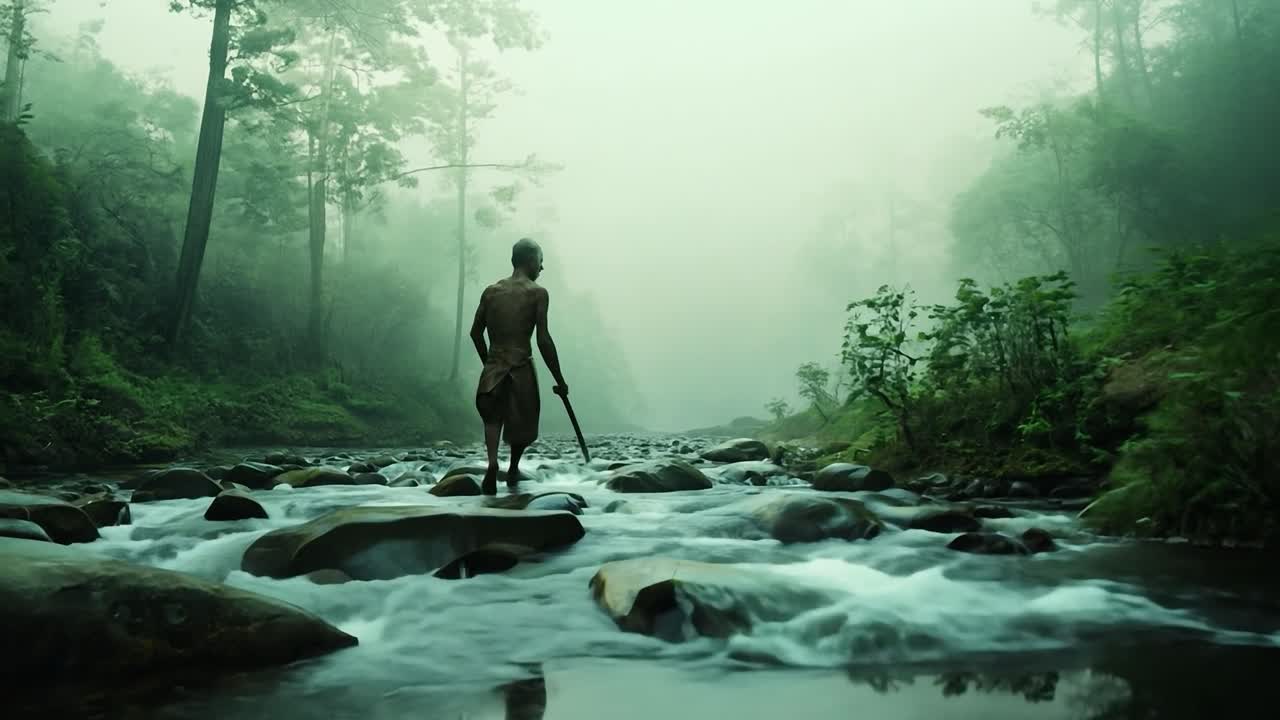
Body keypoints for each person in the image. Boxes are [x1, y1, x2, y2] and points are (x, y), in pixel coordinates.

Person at [469, 238, 568, 495]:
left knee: (493, 418)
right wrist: (559, 377)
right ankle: (512, 468)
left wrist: (488, 363)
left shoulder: (491, 292)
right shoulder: (537, 293)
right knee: (522, 424)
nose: (542, 268)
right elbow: (543, 339)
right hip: (522, 366)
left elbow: (475, 333)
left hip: (494, 367)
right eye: (541, 261)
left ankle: (492, 461)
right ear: (531, 260)